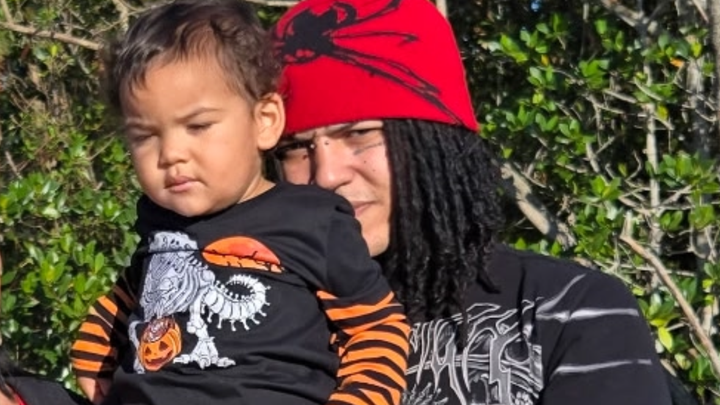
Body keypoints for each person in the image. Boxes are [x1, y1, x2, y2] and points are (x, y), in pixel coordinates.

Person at [270, 0, 673, 404]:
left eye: (359, 134)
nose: (326, 175)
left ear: (435, 144)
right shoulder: (259, 320)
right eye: (295, 148)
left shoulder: (568, 309)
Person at [69, 1, 409, 405]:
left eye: (198, 126)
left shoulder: (313, 221)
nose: (171, 154)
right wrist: (94, 353)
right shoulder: (161, 225)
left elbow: (376, 329)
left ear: (264, 120)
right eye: (145, 136)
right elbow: (133, 292)